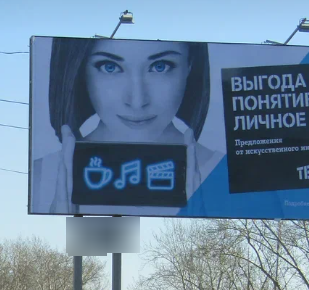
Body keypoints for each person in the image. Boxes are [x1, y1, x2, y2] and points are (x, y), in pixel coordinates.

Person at [33, 38, 223, 213]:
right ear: (79, 68)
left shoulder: (227, 175)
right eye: (110, 67)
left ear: (190, 65)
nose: (137, 101)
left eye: (160, 66)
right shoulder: (41, 178)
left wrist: (197, 228)